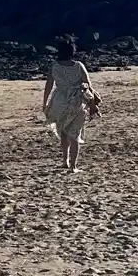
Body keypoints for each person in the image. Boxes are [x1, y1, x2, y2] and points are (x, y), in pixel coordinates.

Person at [42, 34, 99, 173]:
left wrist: (45, 103)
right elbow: (88, 85)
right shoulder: (79, 66)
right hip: (76, 101)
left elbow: (48, 85)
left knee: (63, 131)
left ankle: (65, 161)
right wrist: (93, 102)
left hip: (59, 101)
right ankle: (73, 166)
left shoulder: (54, 66)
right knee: (75, 134)